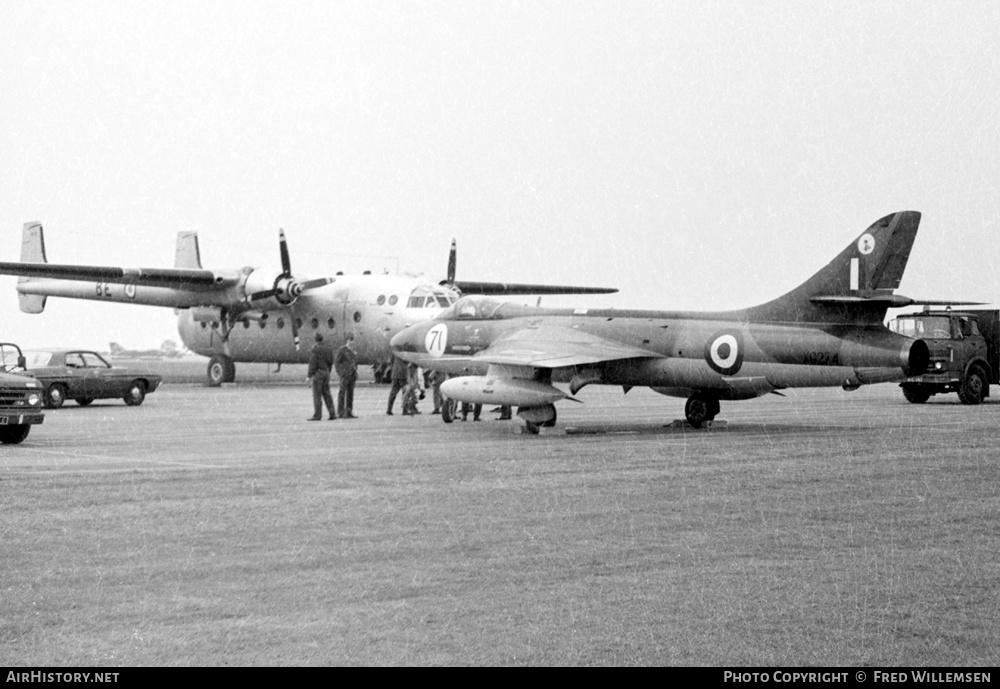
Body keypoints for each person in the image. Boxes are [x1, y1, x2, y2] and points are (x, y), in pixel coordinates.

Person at [306, 332, 336, 421]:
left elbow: (313, 363)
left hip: (318, 373)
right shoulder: (328, 349)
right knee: (327, 394)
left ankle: (317, 415)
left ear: (315, 340)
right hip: (326, 372)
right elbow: (331, 361)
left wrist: (309, 376)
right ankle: (332, 414)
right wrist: (327, 371)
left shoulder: (315, 349)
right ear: (322, 339)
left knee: (317, 395)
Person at [335, 333, 358, 418]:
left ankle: (349, 411)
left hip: (352, 375)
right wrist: (341, 373)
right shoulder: (342, 350)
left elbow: (355, 362)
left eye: (353, 340)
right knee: (342, 393)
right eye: (351, 340)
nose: (353, 342)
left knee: (350, 394)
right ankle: (340, 412)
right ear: (347, 340)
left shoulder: (352, 351)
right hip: (345, 375)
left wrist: (356, 371)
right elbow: (337, 362)